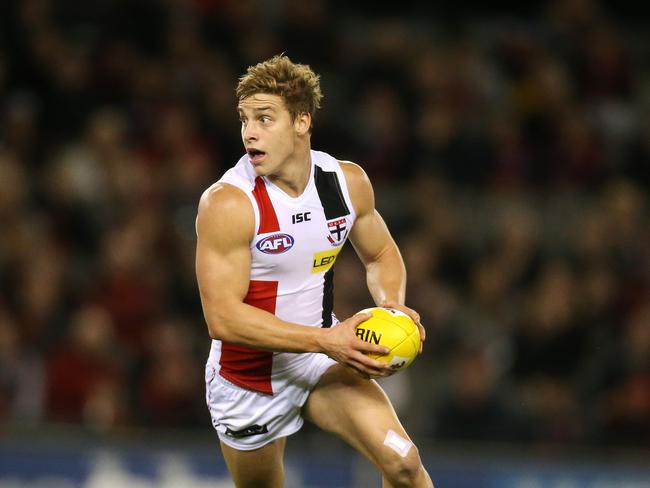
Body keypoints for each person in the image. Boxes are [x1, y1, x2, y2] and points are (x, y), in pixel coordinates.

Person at [195, 54, 434, 488]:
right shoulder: (228, 204)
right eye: (244, 119)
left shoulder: (346, 183)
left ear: (302, 122)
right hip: (248, 381)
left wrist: (392, 306)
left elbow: (380, 255)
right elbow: (222, 318)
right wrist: (325, 339)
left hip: (320, 361)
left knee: (403, 463)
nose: (249, 132)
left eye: (265, 119)